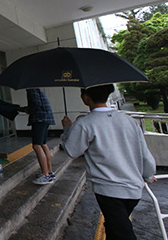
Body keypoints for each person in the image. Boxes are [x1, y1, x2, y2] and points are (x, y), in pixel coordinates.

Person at [61, 84, 156, 240]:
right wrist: (148, 174)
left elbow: (72, 151)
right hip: (134, 188)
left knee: (122, 233)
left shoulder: (85, 123)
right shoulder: (128, 120)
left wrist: (67, 129)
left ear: (85, 97)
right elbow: (144, 153)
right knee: (115, 227)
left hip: (108, 190)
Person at [21, 88, 56, 185]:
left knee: (36, 145)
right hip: (45, 118)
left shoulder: (31, 89)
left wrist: (28, 110)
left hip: (39, 119)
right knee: (43, 144)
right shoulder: (37, 88)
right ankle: (49, 172)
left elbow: (36, 105)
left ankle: (45, 175)